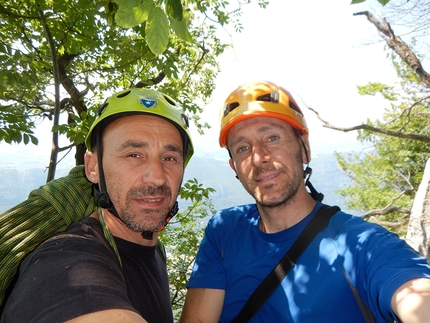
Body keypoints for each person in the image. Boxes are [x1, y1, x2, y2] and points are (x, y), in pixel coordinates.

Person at [180, 81, 430, 323]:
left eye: (272, 138)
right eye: (243, 148)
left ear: (305, 148)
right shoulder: (225, 230)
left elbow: (415, 293)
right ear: (235, 167)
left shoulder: (361, 245)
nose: (258, 158)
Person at [1, 87, 194, 323]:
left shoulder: (155, 251)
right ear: (93, 168)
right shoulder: (67, 260)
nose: (157, 177)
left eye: (169, 158)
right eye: (134, 155)